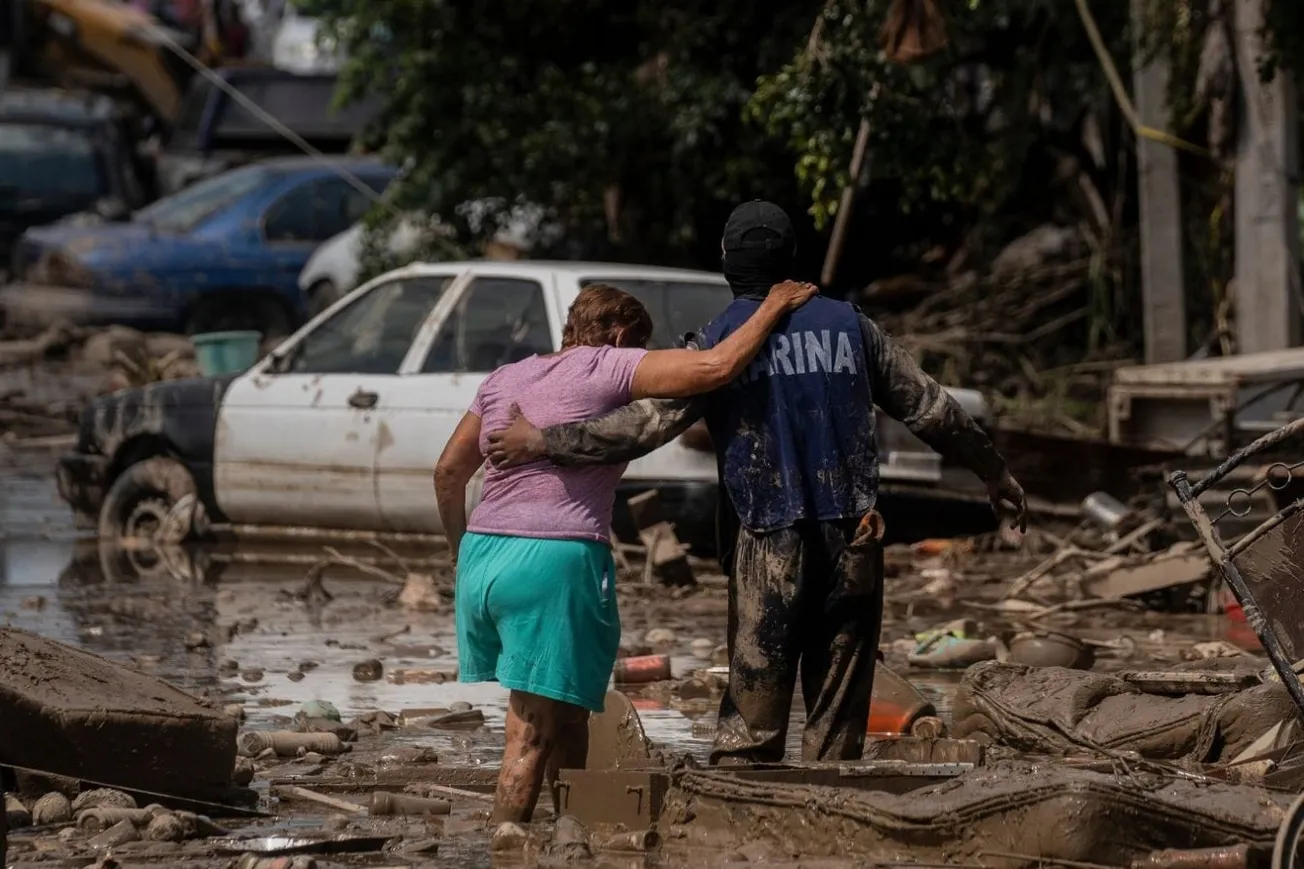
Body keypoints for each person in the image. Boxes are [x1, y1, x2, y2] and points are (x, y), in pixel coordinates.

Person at [485, 200, 1028, 766]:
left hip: (767, 539)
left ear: (728, 262)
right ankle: (835, 807)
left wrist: (545, 441)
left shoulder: (722, 341)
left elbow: (643, 427)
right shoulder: (852, 327)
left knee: (750, 724)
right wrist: (995, 473)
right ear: (791, 259)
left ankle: (744, 811)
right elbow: (932, 409)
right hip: (855, 536)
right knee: (838, 716)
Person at [433, 278, 817, 823]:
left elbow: (448, 472)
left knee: (568, 711)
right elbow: (716, 367)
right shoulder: (609, 366)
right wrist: (774, 305)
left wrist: (460, 552)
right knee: (530, 733)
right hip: (553, 559)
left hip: (483, 557)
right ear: (618, 335)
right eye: (638, 344)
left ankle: (572, 828)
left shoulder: (505, 377)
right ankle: (506, 844)